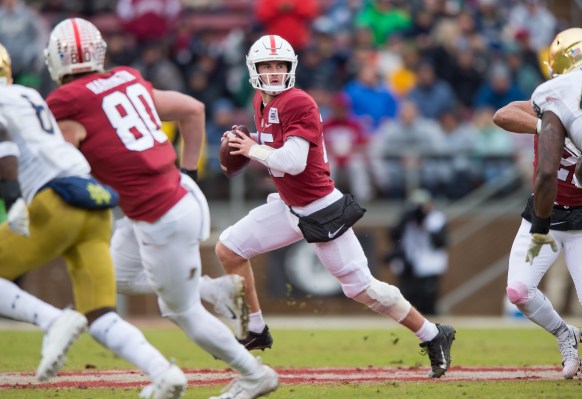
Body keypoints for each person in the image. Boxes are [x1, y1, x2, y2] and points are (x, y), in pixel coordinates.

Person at [44, 18, 278, 399]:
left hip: (160, 213)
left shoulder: (66, 101)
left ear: (57, 59)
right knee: (113, 275)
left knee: (180, 312)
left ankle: (253, 374)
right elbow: (194, 109)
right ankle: (213, 291)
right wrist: (188, 172)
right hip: (177, 194)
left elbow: (65, 164)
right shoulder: (125, 76)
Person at [216, 34, 456, 379]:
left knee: (361, 288)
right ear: (254, 69)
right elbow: (276, 155)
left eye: (278, 66)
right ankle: (255, 329)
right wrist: (245, 145)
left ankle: (433, 334)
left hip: (318, 207)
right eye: (266, 66)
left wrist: (251, 148)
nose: (272, 73)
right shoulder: (260, 100)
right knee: (229, 249)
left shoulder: (298, 102)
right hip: (287, 204)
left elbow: (294, 162)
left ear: (290, 67)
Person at [0, 42, 187, 398]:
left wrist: (12, 199)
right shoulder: (28, 95)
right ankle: (164, 372)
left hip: (54, 201)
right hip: (94, 201)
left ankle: (51, 318)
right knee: (100, 314)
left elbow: (3, 144)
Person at [505, 27, 582, 379]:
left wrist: (581, 155)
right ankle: (565, 334)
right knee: (518, 290)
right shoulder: (552, 102)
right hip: (542, 217)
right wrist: (545, 127)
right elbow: (503, 114)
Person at [386, 189, 448, 315]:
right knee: (407, 299)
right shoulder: (406, 220)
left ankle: (431, 328)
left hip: (429, 265)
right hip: (409, 265)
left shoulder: (436, 219)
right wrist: (405, 220)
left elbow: (440, 242)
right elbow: (393, 236)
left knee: (427, 298)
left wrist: (425, 223)